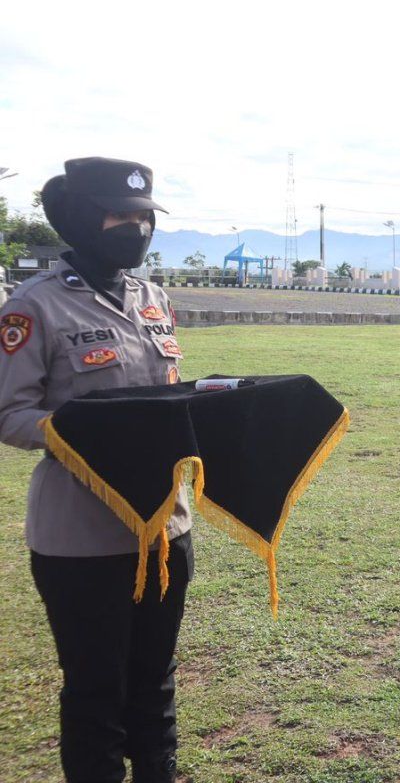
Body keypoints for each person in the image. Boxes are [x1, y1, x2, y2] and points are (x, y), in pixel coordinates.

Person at [0, 158, 190, 783]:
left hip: (164, 529)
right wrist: (80, 433)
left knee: (155, 684)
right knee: (95, 695)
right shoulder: (35, 307)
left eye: (145, 218)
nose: (137, 229)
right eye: (121, 215)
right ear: (83, 219)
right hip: (82, 539)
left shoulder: (153, 298)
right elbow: (10, 414)